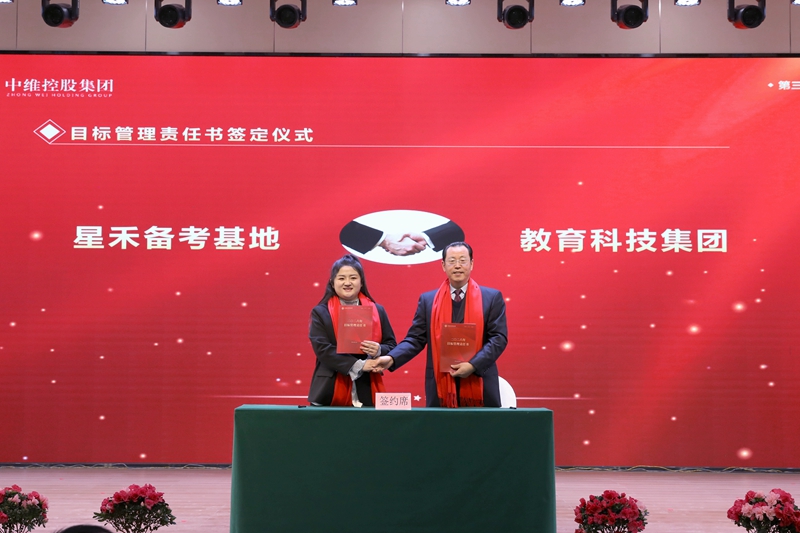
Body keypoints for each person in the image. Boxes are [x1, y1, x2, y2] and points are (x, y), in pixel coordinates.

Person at [375, 242, 507, 407]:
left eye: (462, 260)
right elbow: (415, 339)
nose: (457, 266)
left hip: (480, 381)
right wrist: (392, 358)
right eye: (452, 261)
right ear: (443, 265)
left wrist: (473, 365)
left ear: (472, 264)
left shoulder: (492, 298)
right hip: (440, 384)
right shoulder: (428, 301)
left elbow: (498, 338)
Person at [308, 254, 397, 407]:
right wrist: (359, 365)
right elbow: (322, 349)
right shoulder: (321, 312)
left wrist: (378, 350)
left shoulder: (378, 310)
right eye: (341, 278)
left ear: (361, 282)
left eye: (353, 278)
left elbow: (391, 345)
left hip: (367, 386)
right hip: (328, 389)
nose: (347, 283)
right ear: (332, 282)